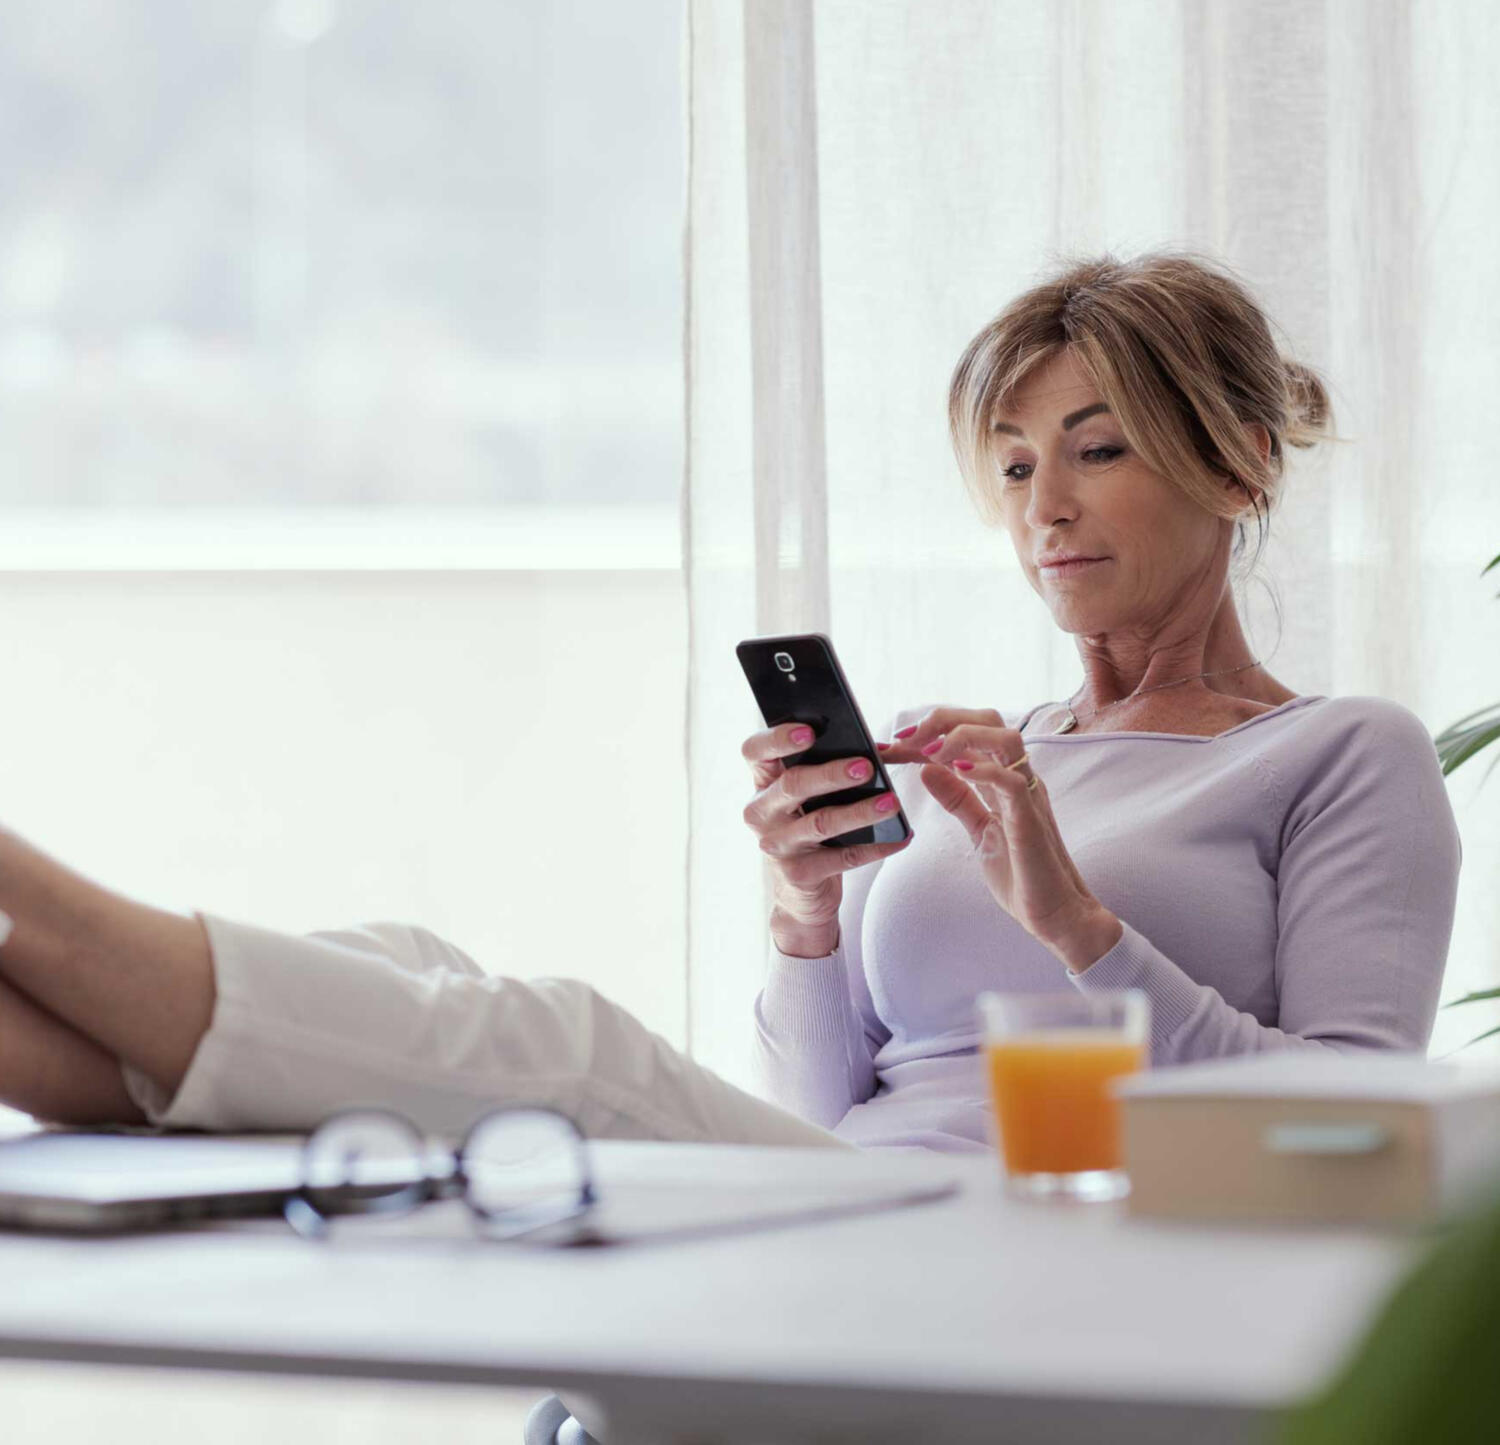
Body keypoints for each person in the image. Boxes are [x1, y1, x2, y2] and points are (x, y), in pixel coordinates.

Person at [0, 250, 1462, 1159]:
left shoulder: (1340, 754)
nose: (1046, 506)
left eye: (1098, 449)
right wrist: (809, 914)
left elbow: (1355, 1127)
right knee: (410, 963)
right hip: (848, 1198)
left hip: (1023, 1240)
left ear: (1242, 466)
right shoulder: (1001, 763)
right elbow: (827, 1105)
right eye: (1014, 465)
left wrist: (1077, 923)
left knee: (567, 1047)